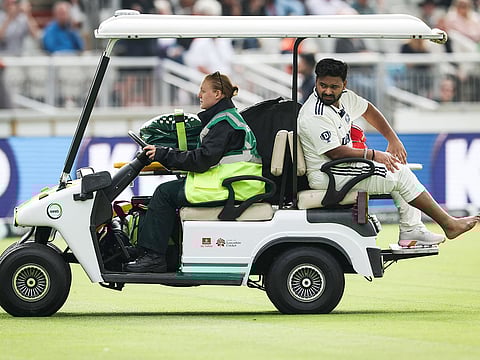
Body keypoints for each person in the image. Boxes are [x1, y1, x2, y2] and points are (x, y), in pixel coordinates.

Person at [297, 58, 479, 246]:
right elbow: (335, 153)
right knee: (397, 173)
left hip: (341, 168)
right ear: (316, 81)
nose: (327, 91)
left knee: (397, 168)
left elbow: (369, 110)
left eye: (334, 86)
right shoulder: (315, 114)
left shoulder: (346, 97)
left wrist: (393, 139)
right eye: (323, 85)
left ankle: (412, 229)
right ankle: (446, 224)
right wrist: (374, 155)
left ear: (344, 84)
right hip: (328, 174)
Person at [125, 72, 265, 272]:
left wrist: (164, 153)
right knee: (168, 192)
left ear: (217, 94)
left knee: (164, 194)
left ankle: (154, 257)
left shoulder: (223, 123)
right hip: (235, 183)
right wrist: (167, 155)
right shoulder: (225, 118)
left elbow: (201, 161)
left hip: (232, 186)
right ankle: (164, 252)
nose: (199, 94)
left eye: (203, 90)